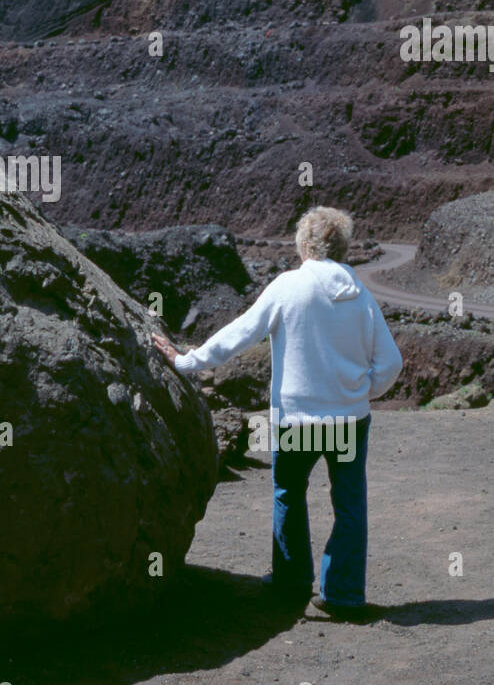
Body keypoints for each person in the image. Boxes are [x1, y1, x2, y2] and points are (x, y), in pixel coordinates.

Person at [151, 206, 403, 621]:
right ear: (342, 247)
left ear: (304, 245)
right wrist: (361, 392)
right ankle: (342, 594)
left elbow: (239, 334)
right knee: (350, 504)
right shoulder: (360, 295)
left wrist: (188, 361)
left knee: (289, 492)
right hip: (349, 421)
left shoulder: (288, 288)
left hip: (297, 420)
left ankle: (290, 581)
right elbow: (390, 363)